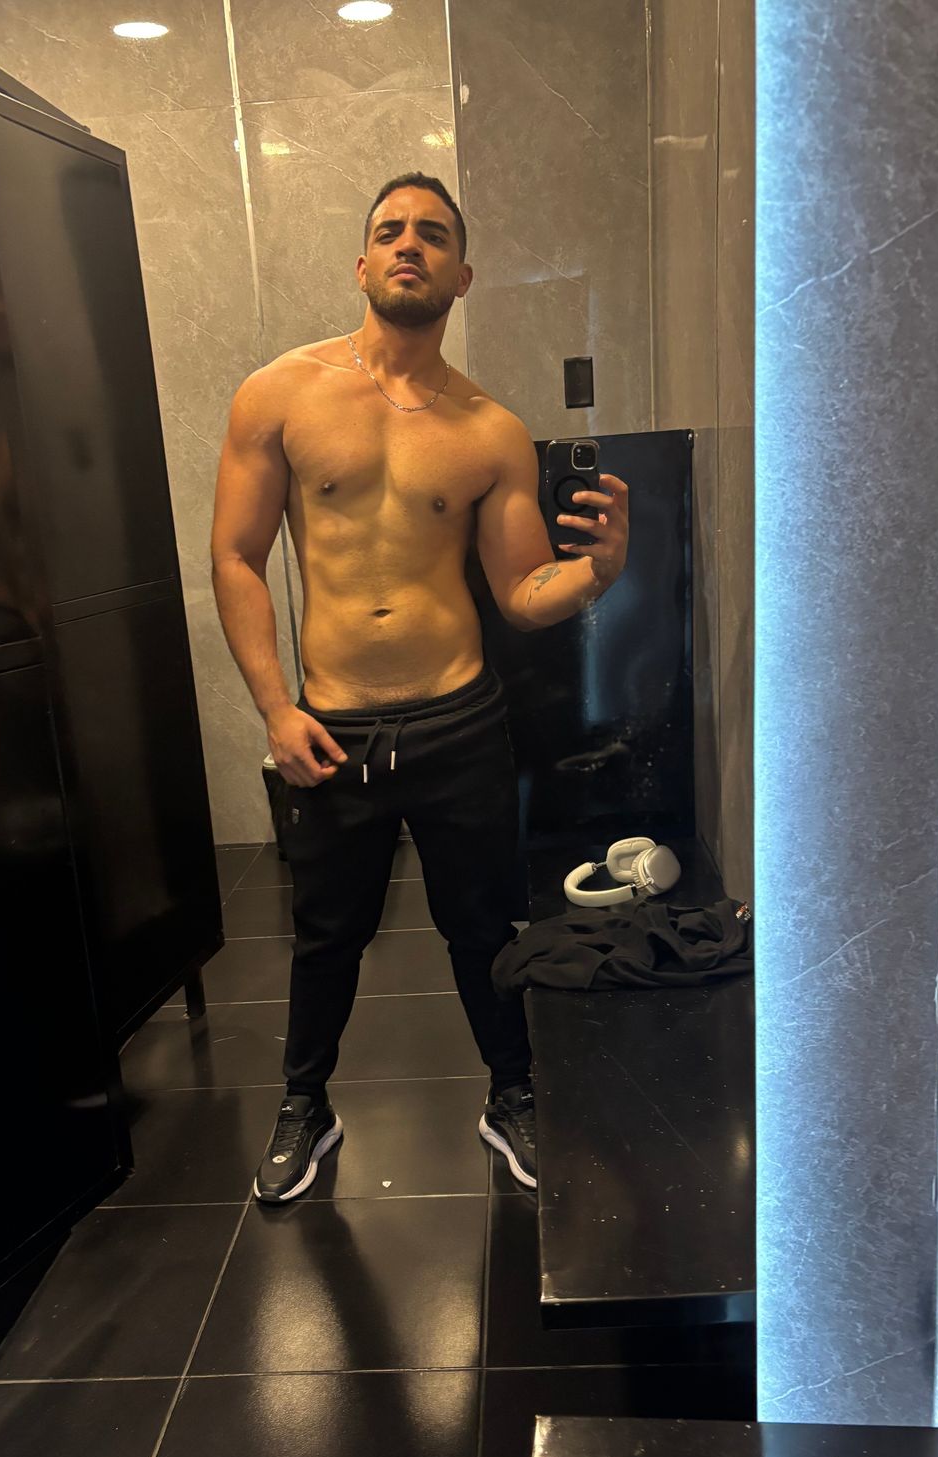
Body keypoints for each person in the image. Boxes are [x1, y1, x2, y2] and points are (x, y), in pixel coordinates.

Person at [210, 171, 629, 1204]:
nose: (410, 244)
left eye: (433, 234)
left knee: (482, 925)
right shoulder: (280, 395)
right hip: (331, 727)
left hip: (459, 720)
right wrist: (275, 708)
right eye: (391, 231)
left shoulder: (489, 429)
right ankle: (305, 1103)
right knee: (326, 934)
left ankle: (511, 1091)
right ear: (362, 264)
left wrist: (597, 575)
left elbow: (522, 593)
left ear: (462, 275)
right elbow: (235, 556)